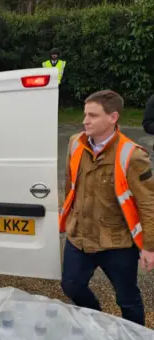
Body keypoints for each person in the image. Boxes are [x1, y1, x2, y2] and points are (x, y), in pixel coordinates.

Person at [59, 89, 154, 326]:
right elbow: (70, 184)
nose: (85, 121)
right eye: (85, 114)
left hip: (117, 243)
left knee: (127, 299)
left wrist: (149, 247)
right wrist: (68, 218)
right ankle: (98, 322)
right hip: (80, 237)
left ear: (113, 117)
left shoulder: (132, 155)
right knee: (71, 286)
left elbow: (148, 203)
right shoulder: (75, 144)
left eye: (93, 115)